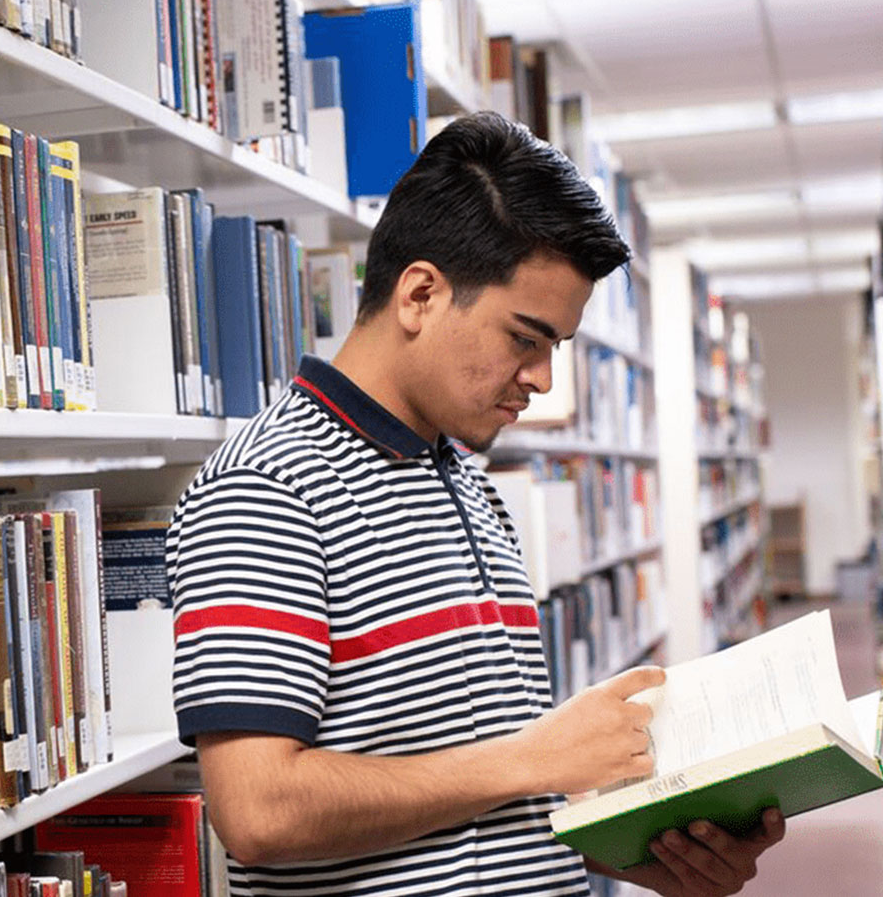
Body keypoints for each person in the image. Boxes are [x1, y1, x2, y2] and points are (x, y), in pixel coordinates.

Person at [166, 112, 784, 896]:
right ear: (420, 295)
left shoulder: (468, 485)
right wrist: (536, 755)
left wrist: (654, 855)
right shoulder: (267, 486)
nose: (542, 379)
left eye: (554, 347)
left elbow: (488, 803)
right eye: (525, 338)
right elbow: (258, 812)